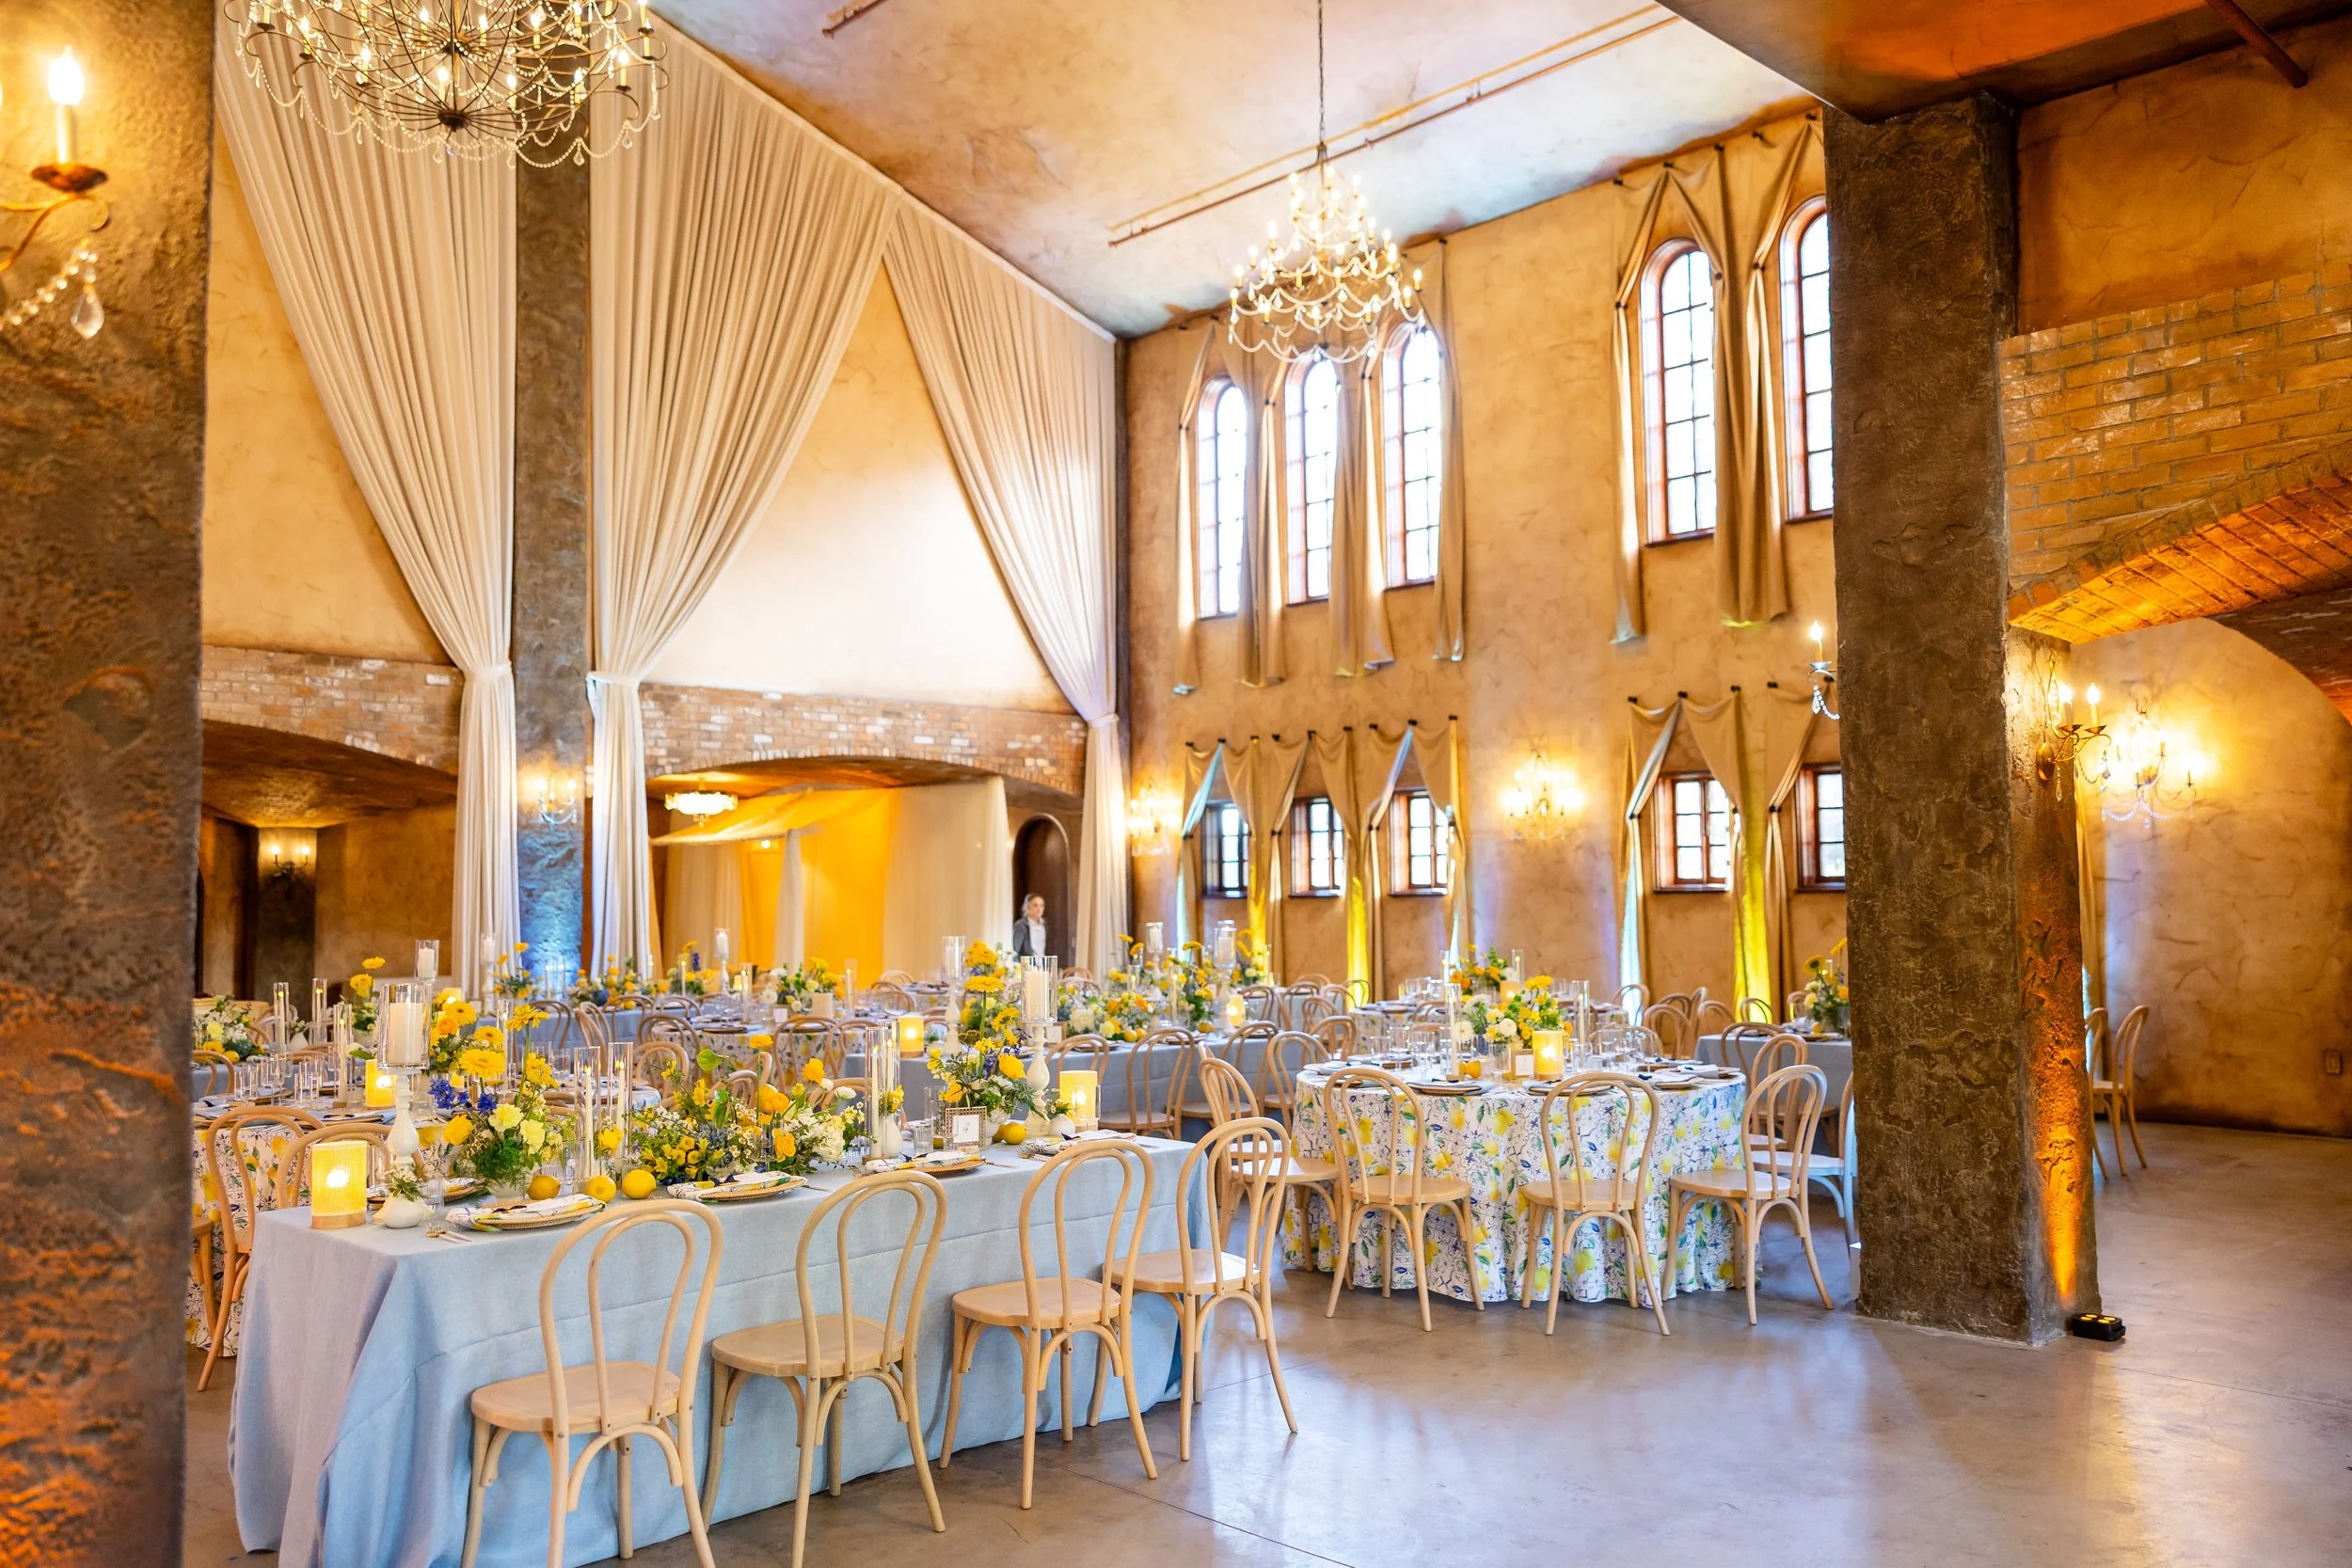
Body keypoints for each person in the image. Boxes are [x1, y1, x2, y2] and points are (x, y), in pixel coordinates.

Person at [1011, 893, 1050, 960]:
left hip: (1042, 965)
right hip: (1027, 966)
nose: (1039, 909)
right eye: (1035, 905)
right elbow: (1015, 950)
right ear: (1028, 907)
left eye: (1042, 905)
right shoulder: (1021, 925)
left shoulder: (1044, 924)